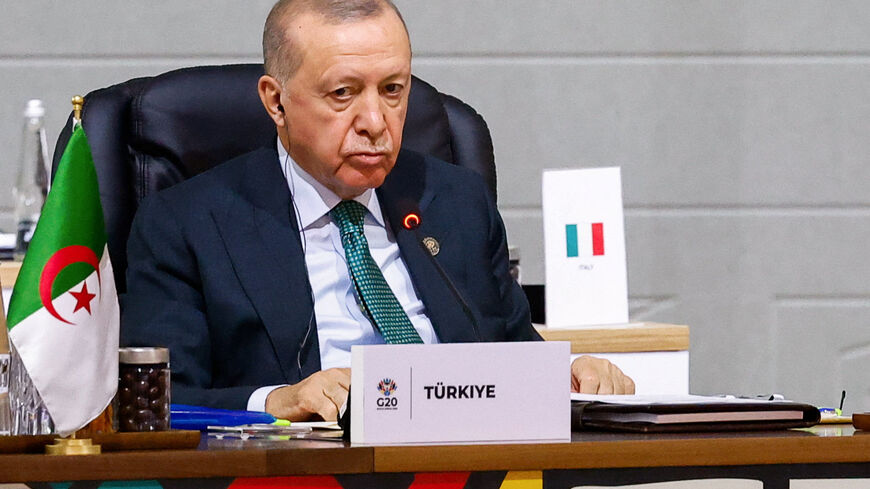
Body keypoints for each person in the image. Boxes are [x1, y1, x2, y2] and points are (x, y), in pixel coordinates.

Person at [121, 0, 634, 422]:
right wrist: (276, 400)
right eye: (343, 94)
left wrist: (570, 376)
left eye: (393, 90)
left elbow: (511, 354)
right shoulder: (187, 223)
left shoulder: (455, 201)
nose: (376, 121)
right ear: (276, 102)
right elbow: (159, 402)